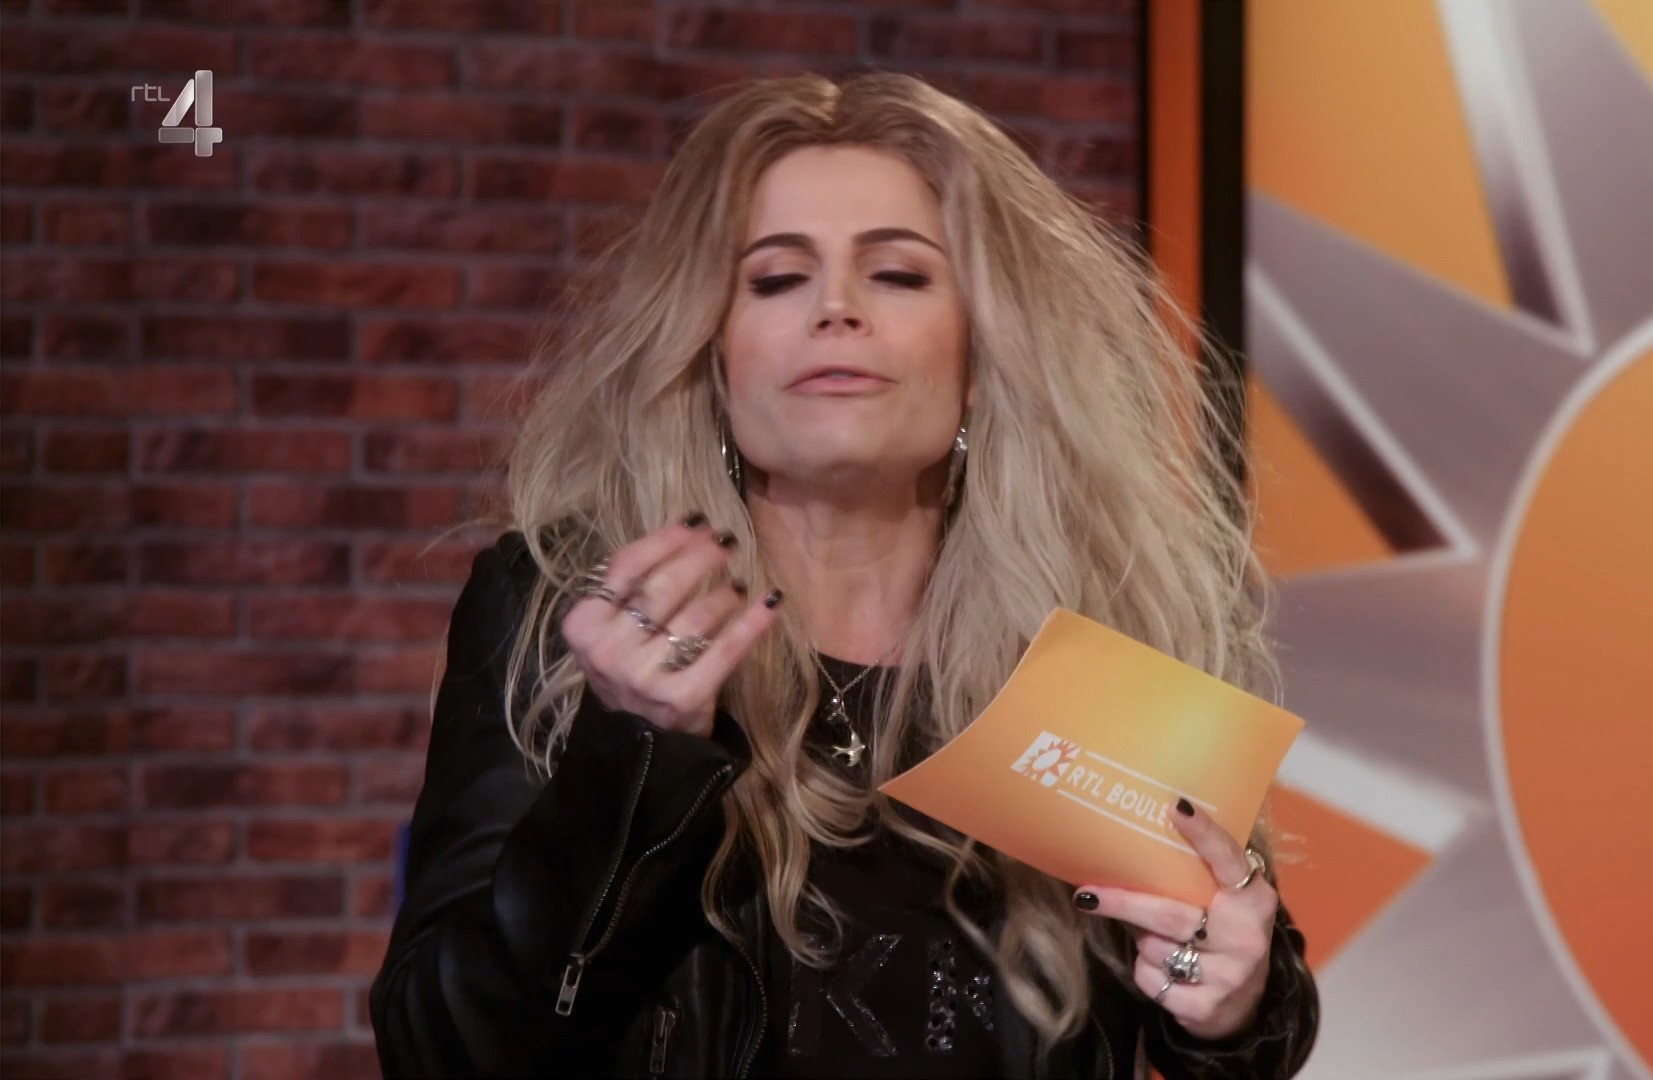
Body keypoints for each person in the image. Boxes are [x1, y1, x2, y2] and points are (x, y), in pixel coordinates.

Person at [371, 72, 1318, 1079]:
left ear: (981, 353)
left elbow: (1239, 1010)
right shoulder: (568, 612)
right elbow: (443, 1051)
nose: (835, 309)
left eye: (898, 276)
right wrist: (633, 753)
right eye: (777, 279)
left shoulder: (1090, 636)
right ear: (710, 352)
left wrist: (1230, 1000)